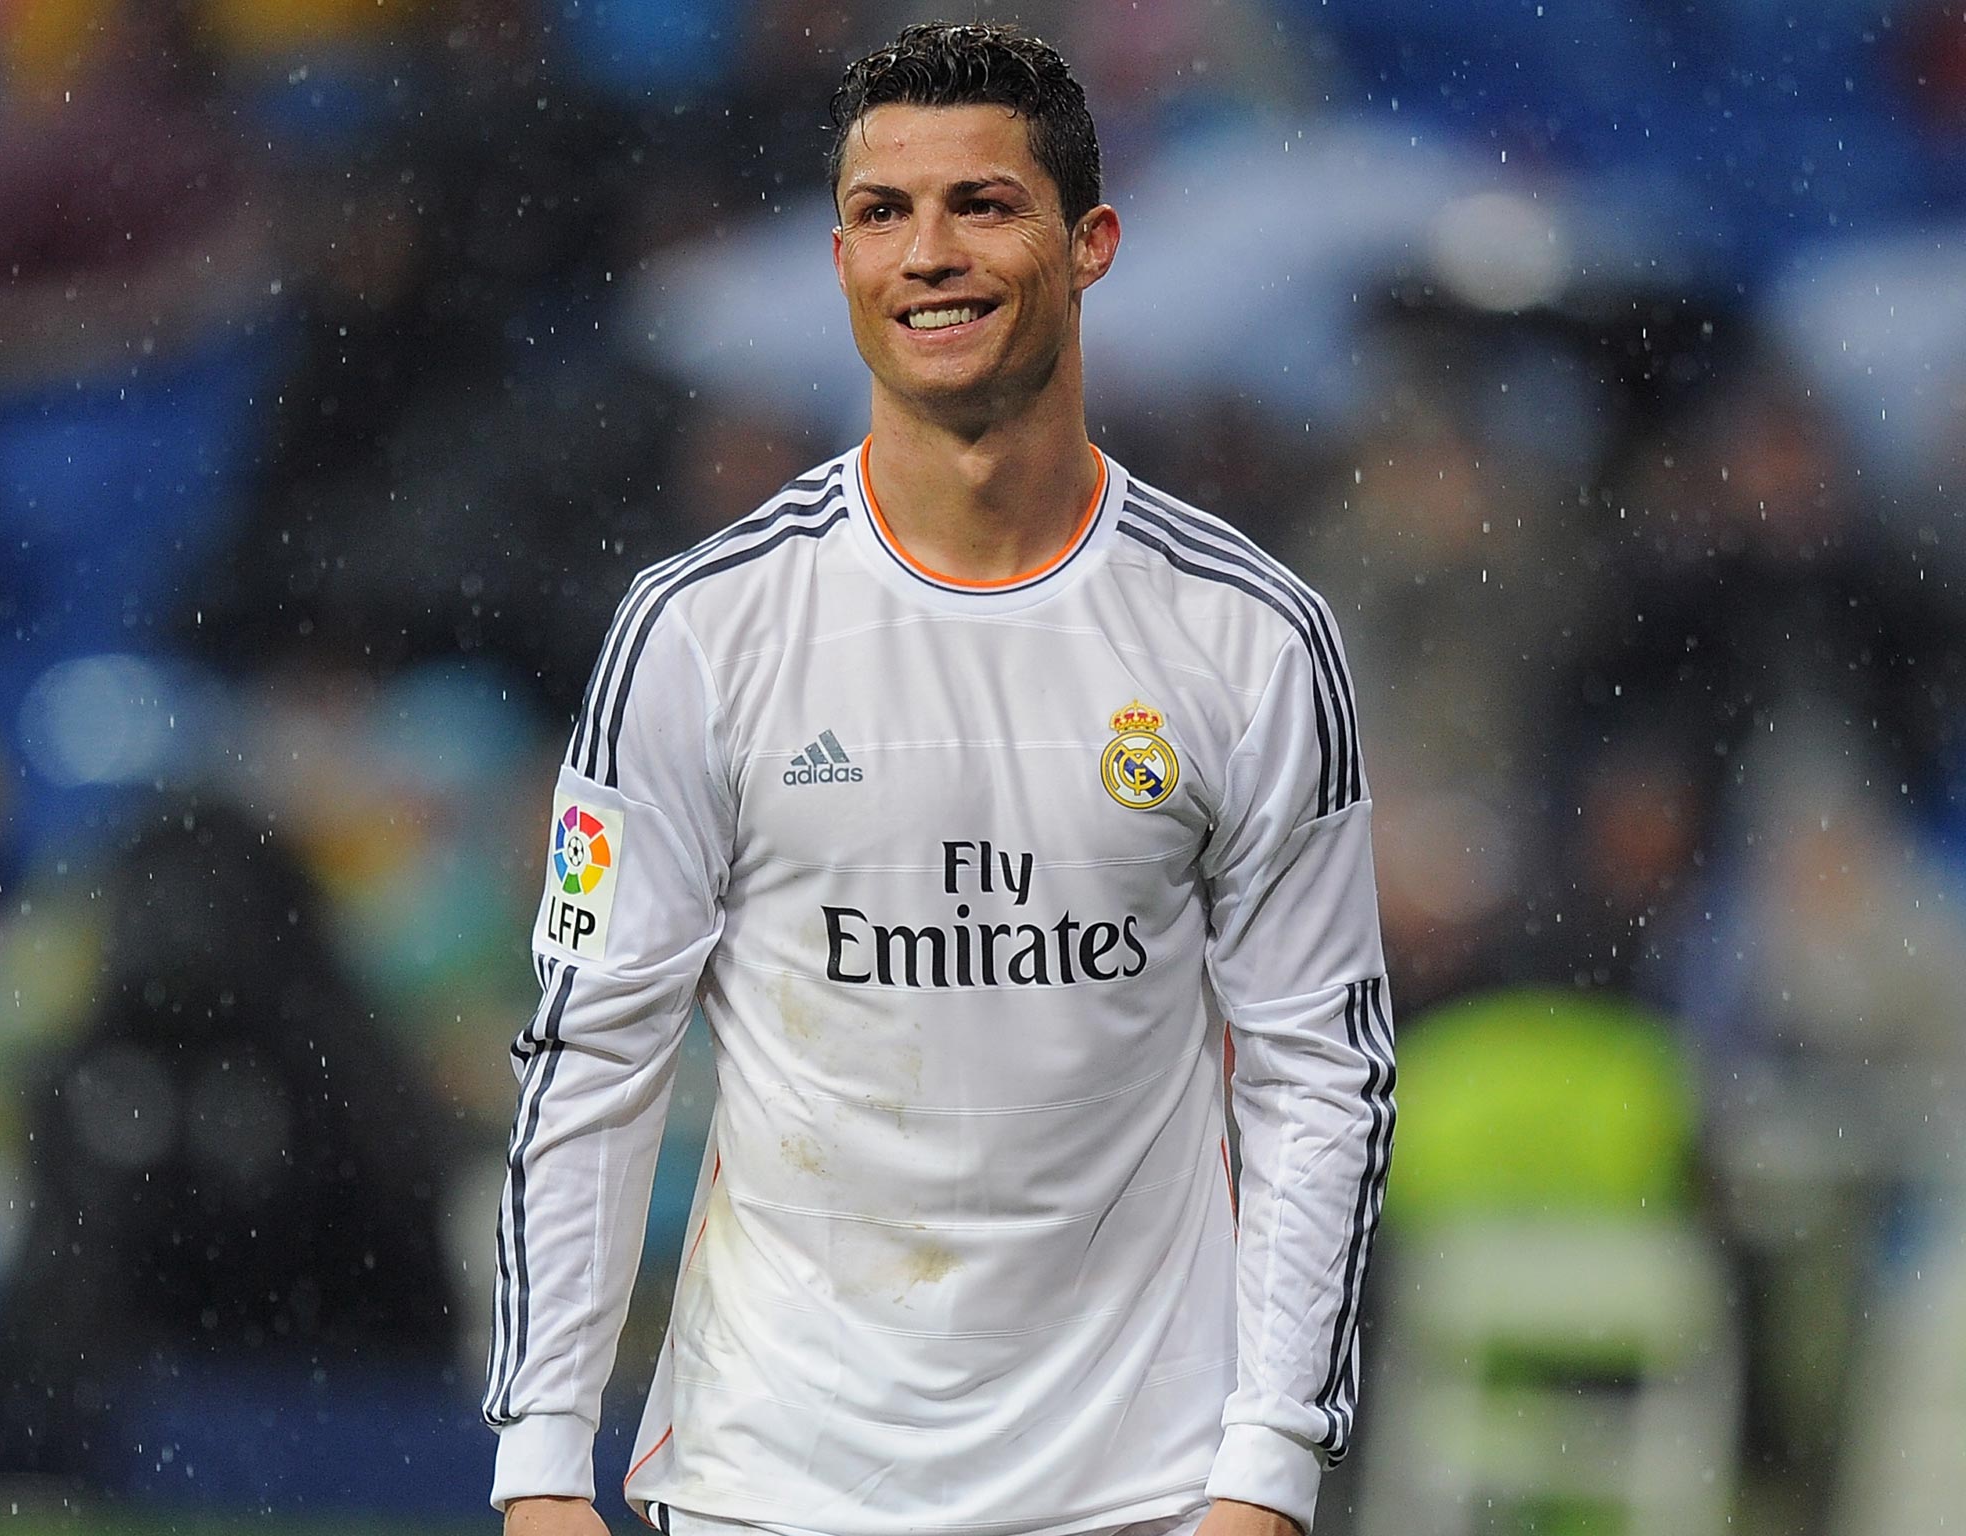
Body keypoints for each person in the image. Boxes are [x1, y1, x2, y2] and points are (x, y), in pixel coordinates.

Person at [485, 22, 1394, 1536]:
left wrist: (1270, 1473)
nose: (928, 253)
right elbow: (592, 1055)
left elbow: (1320, 1075)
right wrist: (536, 1470)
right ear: (838, 257)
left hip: (1143, 1499)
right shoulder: (700, 633)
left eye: (982, 203)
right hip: (770, 1486)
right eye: (881, 212)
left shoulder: (1248, 637)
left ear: (1092, 242)